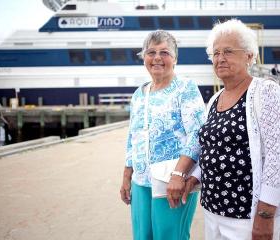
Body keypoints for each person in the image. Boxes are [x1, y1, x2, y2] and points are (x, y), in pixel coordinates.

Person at [181, 19, 280, 240]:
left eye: (228, 51)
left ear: (249, 56)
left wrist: (265, 214)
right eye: (215, 53)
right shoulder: (215, 99)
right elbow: (211, 149)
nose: (220, 58)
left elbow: (277, 155)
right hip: (212, 210)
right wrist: (195, 177)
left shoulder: (266, 92)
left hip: (247, 215)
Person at [119, 30, 206, 240]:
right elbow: (134, 137)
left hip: (172, 180)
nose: (157, 57)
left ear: (175, 58)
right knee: (143, 236)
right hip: (141, 181)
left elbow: (198, 133)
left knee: (170, 236)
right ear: (144, 58)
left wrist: (179, 175)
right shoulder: (139, 94)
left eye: (164, 52)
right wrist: (126, 176)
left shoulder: (185, 88)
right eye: (151, 52)